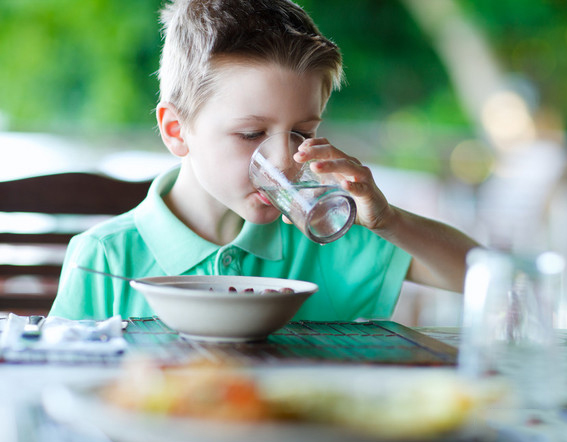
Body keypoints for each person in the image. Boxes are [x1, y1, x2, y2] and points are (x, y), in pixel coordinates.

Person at [49, 0, 479, 321]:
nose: (285, 160)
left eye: (303, 133)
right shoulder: (103, 259)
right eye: (251, 134)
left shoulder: (326, 237)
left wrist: (390, 223)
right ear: (177, 132)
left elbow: (482, 277)